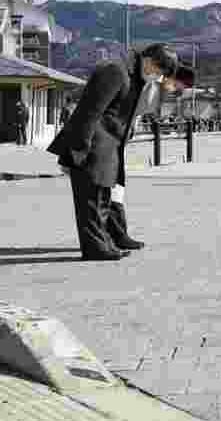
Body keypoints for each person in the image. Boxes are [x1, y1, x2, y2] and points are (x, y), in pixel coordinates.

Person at [47, 44, 187, 261]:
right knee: (91, 201)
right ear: (147, 59)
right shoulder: (115, 71)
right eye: (157, 70)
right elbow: (89, 112)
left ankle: (104, 243)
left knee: (101, 199)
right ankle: (96, 249)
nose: (157, 76)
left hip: (108, 147)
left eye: (161, 74)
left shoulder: (135, 77)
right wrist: (77, 151)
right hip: (92, 146)